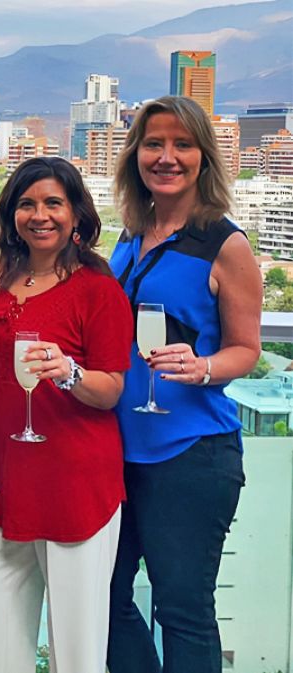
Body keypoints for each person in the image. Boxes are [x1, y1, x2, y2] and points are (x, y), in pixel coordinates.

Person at [0, 157, 133, 673]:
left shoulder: (98, 290)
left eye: (53, 202)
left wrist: (70, 372)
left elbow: (111, 390)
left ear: (76, 213)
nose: (40, 215)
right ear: (12, 214)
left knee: (75, 648)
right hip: (4, 477)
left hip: (75, 482)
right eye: (27, 204)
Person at [106, 96, 261, 673]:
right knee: (106, 598)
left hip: (192, 454)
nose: (166, 157)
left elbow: (247, 349)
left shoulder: (227, 245)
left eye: (181, 145)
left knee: (183, 609)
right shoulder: (129, 237)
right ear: (136, 155)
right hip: (118, 452)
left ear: (203, 158)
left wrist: (203, 367)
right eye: (154, 144)